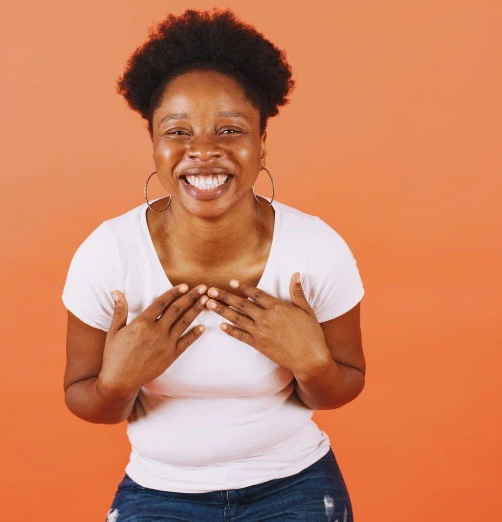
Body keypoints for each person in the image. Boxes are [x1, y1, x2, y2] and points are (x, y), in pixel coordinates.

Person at [61, 7, 365, 521]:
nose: (203, 151)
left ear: (261, 143)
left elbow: (344, 386)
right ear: (154, 146)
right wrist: (119, 382)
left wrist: (310, 361)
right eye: (178, 132)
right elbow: (85, 400)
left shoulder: (314, 247)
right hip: (158, 492)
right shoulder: (108, 253)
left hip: (295, 488)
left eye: (230, 130)